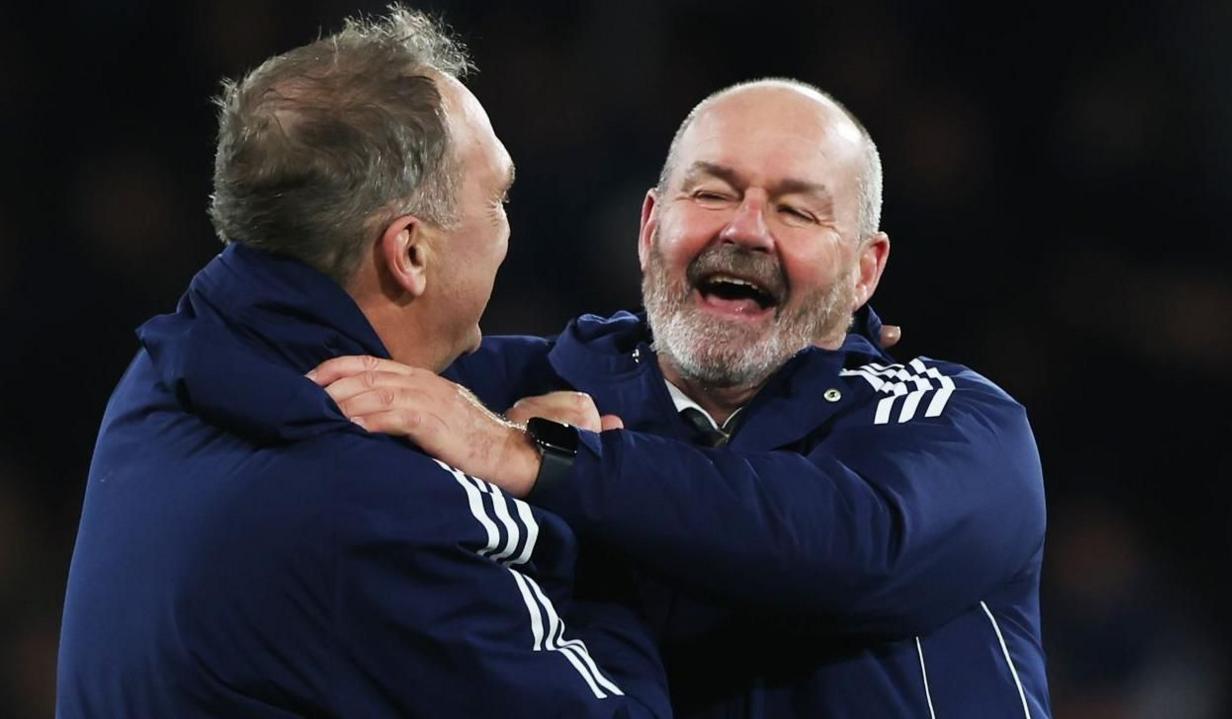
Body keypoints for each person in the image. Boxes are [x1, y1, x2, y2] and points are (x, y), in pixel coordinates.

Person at [312, 79, 1051, 717]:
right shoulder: (523, 384)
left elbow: (852, 545)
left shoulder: (957, 423)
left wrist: (550, 459)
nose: (743, 228)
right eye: (711, 193)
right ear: (649, 226)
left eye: (796, 210)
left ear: (864, 269)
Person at [56, 6, 670, 717]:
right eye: (499, 197)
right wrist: (589, 489)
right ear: (409, 253)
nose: (510, 221)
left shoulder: (164, 376)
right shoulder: (384, 517)